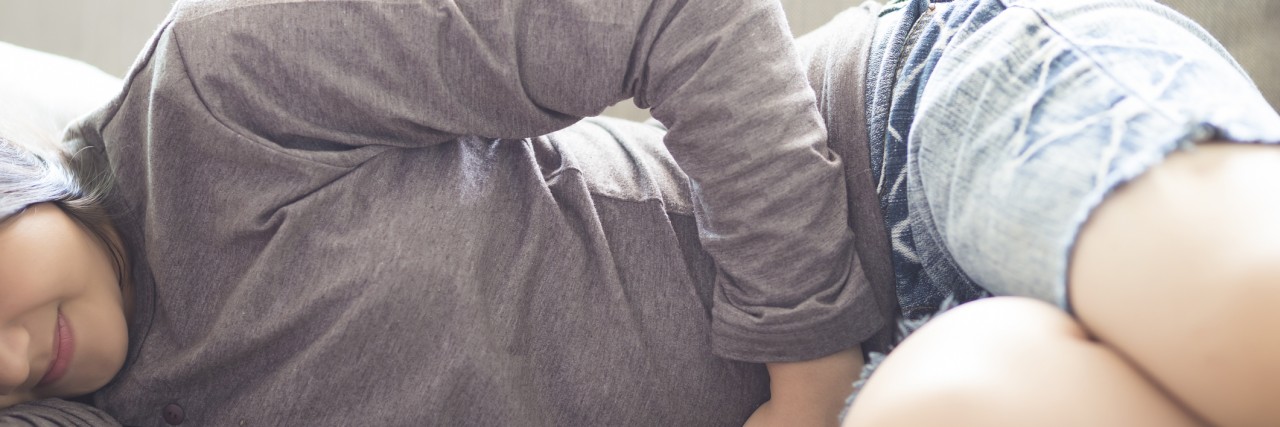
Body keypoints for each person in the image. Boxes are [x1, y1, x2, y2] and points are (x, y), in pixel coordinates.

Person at [1, 0, 1277, 426]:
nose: (6, 362)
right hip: (896, 382)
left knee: (1240, 325)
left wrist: (804, 369)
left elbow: (679, 13)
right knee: (968, 407)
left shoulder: (217, 96)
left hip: (897, 137)